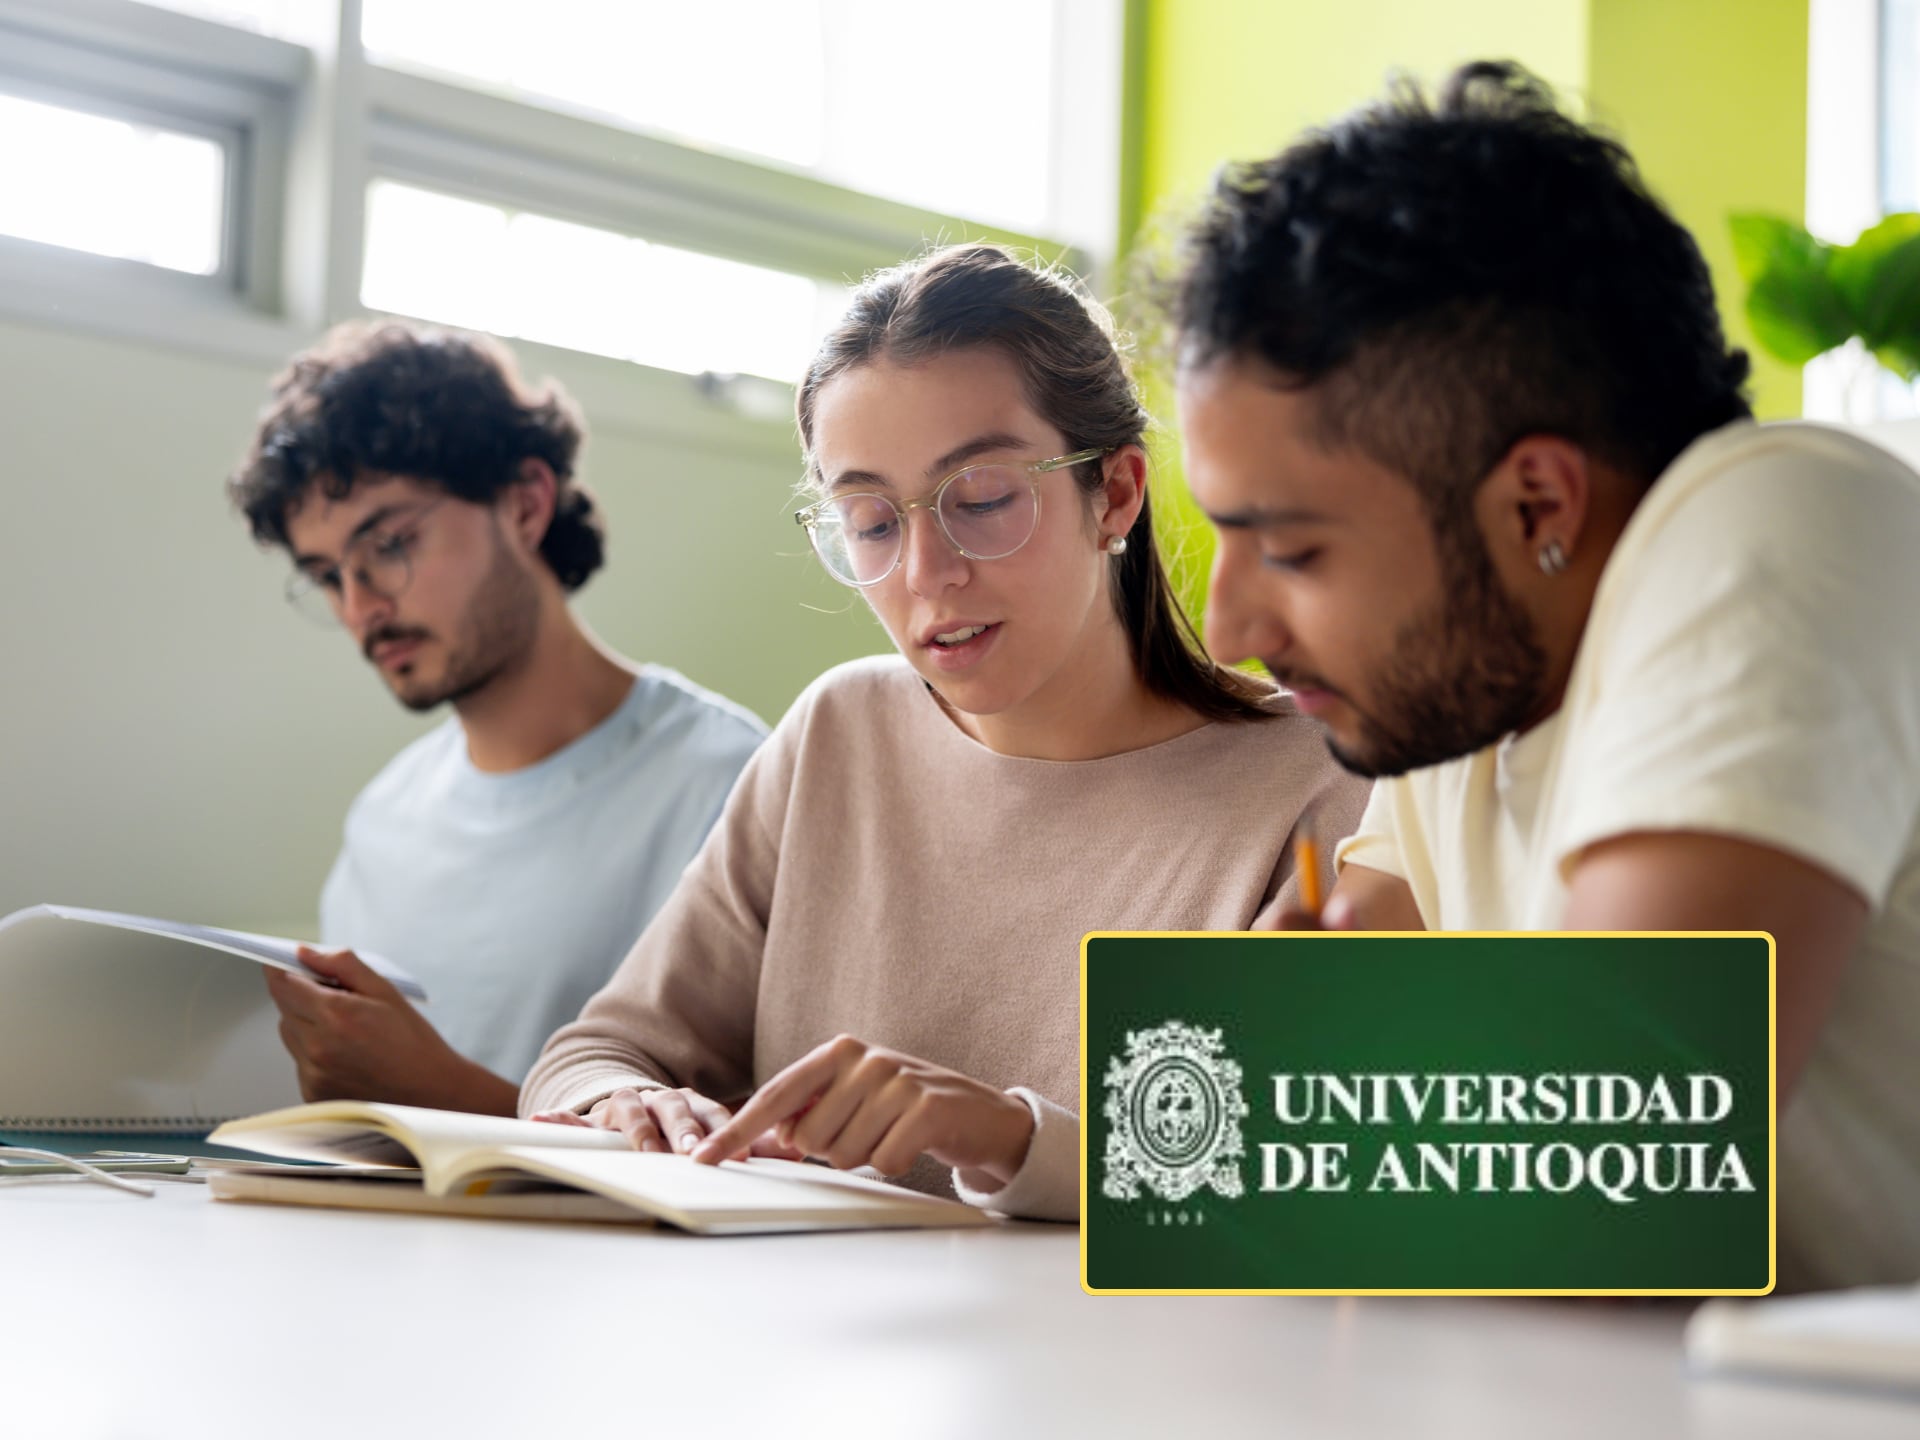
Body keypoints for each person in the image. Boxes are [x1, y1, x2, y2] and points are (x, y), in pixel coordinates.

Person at [1171, 61, 1920, 1289]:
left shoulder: (1786, 519)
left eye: (1293, 549)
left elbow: (1599, 1165)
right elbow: (1275, 1084)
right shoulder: (1474, 681)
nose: (1229, 625)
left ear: (1537, 504)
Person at [521, 244, 1369, 1218]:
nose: (927, 572)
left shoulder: (1325, 786)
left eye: (983, 500)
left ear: (1118, 493)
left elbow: (1303, 1171)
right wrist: (622, 1102)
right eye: (872, 522)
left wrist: (1009, 1137)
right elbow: (594, 1053)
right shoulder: (837, 734)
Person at [227, 321, 766, 1116]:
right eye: (328, 576)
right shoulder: (381, 824)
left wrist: (445, 1094)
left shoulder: (736, 788)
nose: (360, 606)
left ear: (524, 504)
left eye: (391, 544)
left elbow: (756, 1151)